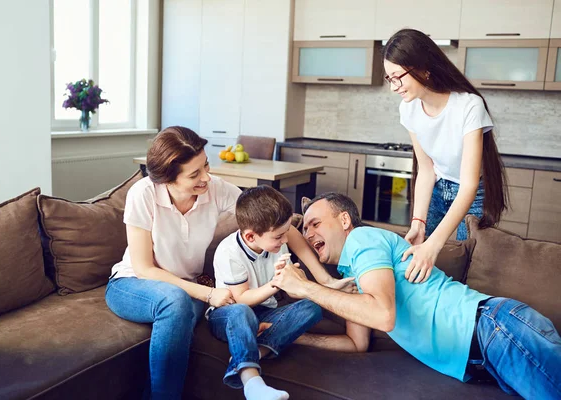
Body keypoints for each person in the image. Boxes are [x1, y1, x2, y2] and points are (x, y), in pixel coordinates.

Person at [272, 192, 561, 400]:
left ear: (345, 220)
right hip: (483, 358)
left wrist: (307, 288)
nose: (308, 233)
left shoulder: (363, 239)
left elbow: (383, 315)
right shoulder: (356, 273)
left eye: (315, 223)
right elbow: (356, 344)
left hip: (493, 330)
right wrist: (293, 335)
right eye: (305, 228)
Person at [105, 126, 242, 400]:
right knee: (176, 302)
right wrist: (208, 293)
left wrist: (322, 278)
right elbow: (144, 268)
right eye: (195, 174)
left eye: (205, 165)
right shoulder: (142, 194)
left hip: (183, 289)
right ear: (167, 178)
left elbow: (268, 214)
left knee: (179, 305)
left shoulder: (215, 190)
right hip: (131, 284)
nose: (207, 177)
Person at [207, 186, 365, 400]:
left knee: (312, 306)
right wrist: (276, 283)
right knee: (241, 312)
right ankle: (251, 381)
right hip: (229, 314)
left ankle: (253, 352)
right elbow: (241, 299)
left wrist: (316, 286)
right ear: (251, 237)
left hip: (265, 313)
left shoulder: (276, 243)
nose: (285, 241)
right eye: (279, 236)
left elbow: (297, 292)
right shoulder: (229, 253)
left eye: (286, 233)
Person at [382, 28, 508, 284]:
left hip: (472, 194)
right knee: (421, 262)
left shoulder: (468, 106)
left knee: (465, 269)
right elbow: (426, 170)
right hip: (438, 188)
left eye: (398, 77)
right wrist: (418, 223)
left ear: (423, 68)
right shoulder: (408, 109)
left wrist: (434, 245)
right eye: (389, 78)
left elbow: (469, 184)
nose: (394, 87)